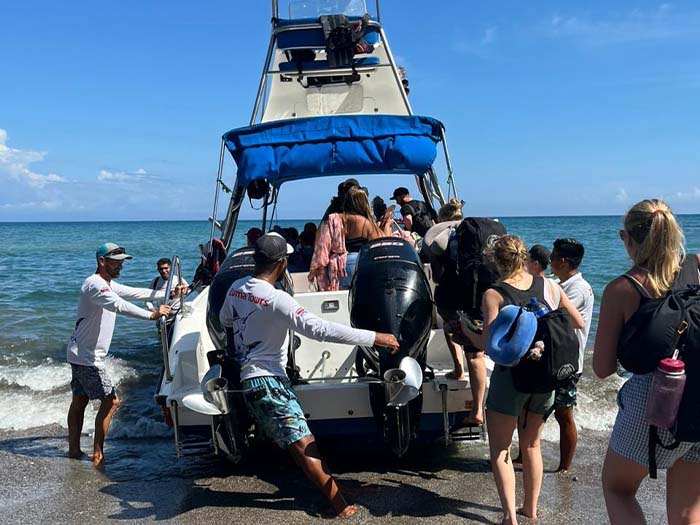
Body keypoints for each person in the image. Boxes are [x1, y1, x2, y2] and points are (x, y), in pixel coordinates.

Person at [220, 233, 400, 517]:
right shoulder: (277, 299)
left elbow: (224, 320)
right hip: (268, 381)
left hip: (251, 379)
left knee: (300, 443)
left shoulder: (235, 288)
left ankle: (336, 491)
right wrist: (374, 337)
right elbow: (320, 330)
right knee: (305, 445)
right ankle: (339, 505)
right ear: (281, 264)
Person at [455, 235, 584, 524]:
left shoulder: (494, 294)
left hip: (511, 378)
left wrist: (466, 330)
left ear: (495, 262)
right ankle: (531, 510)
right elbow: (578, 322)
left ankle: (511, 518)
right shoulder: (550, 285)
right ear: (524, 256)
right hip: (545, 378)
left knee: (500, 449)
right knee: (532, 445)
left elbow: (488, 345)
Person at [592, 199, 700, 525]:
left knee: (618, 489)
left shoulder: (623, 288)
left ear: (627, 238)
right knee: (686, 512)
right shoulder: (696, 266)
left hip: (652, 404)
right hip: (699, 401)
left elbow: (601, 368)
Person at [66, 243, 182, 466]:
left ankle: (73, 450)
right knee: (112, 402)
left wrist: (168, 294)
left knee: (79, 401)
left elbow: (135, 293)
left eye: (122, 262)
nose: (120, 266)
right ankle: (98, 454)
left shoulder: (106, 283)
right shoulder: (95, 285)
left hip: (78, 353)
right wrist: (152, 315)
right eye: (116, 262)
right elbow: (119, 305)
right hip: (87, 358)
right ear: (102, 261)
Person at [424, 199, 487, 426]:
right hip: (480, 297)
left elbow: (437, 278)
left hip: (453, 300)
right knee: (477, 354)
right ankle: (479, 407)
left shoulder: (440, 237)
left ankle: (458, 370)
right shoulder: (476, 234)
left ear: (441, 219)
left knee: (452, 329)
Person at [549, 238, 594, 472]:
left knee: (563, 414)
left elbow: (557, 318)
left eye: (552, 256)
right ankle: (523, 455)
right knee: (534, 411)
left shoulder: (578, 288)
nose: (549, 260)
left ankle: (564, 467)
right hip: (551, 358)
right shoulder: (559, 282)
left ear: (562, 261)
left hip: (567, 363)